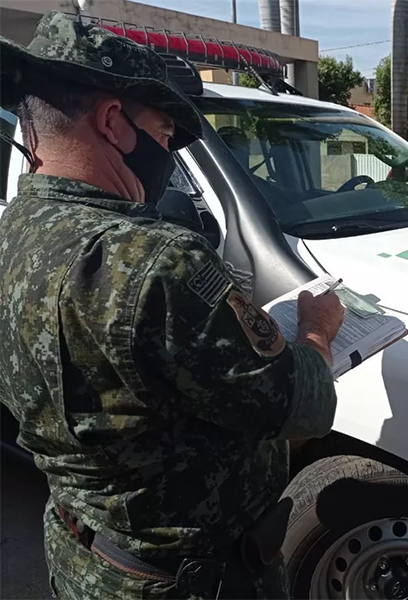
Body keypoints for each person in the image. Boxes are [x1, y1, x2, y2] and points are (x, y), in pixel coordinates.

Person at [0, 11, 344, 600]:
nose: (167, 155)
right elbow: (301, 405)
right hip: (190, 581)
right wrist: (315, 331)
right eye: (164, 135)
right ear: (113, 122)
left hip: (85, 559)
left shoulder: (13, 233)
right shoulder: (156, 258)